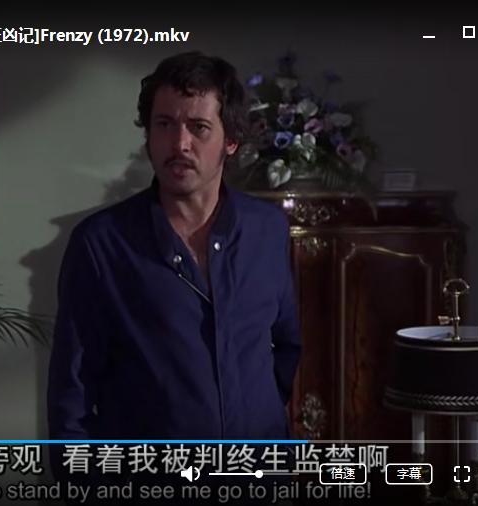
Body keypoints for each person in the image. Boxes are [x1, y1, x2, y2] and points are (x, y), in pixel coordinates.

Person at [46, 51, 302, 501]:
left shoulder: (268, 230)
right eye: (164, 124)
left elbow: (286, 346)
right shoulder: (101, 244)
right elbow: (73, 393)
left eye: (198, 127)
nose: (179, 143)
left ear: (230, 140)